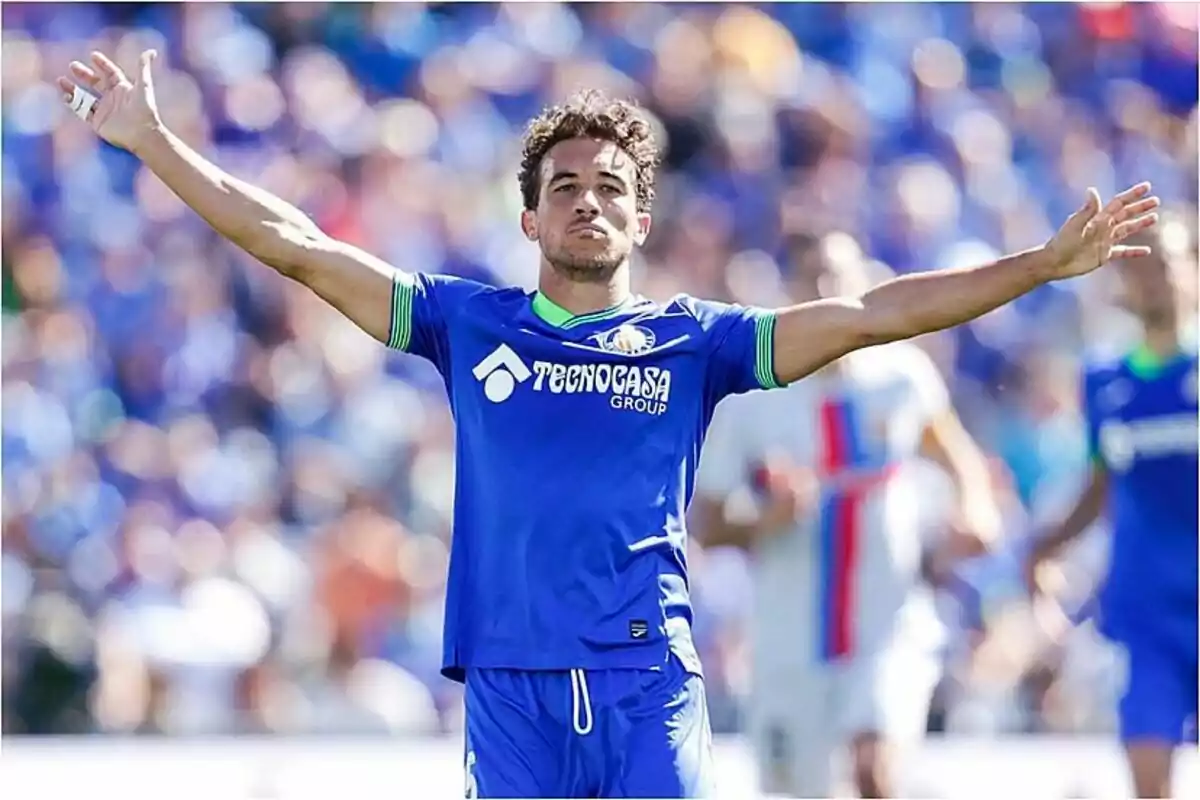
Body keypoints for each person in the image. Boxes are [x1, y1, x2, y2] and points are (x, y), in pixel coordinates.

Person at [58, 49, 1159, 799]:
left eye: (613, 186)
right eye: (568, 184)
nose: (590, 199)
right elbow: (295, 241)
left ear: (642, 215)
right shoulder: (461, 320)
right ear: (530, 214)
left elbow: (873, 313)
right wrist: (157, 146)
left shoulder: (699, 340)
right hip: (510, 678)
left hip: (649, 678)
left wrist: (1038, 268)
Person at [693, 232, 1002, 798]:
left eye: (838, 276)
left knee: (872, 769)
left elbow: (957, 454)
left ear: (862, 283)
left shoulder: (901, 376)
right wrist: (766, 519)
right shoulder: (752, 398)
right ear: (789, 291)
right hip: (789, 639)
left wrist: (975, 510)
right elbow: (704, 523)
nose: (826, 290)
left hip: (887, 624)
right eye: (812, 277)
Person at [1028, 225, 1197, 799]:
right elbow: (1099, 485)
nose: (1156, 279)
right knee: (1149, 780)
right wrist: (1045, 545)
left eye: (1167, 263)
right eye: (1141, 268)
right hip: (1147, 611)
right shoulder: (1105, 381)